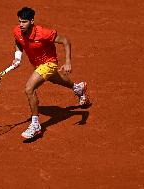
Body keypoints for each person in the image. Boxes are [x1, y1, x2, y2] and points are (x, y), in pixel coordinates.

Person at [11, 7, 90, 139]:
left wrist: (68, 62)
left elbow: (65, 41)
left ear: (32, 21)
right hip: (37, 64)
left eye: (24, 22)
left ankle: (36, 125)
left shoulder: (43, 33)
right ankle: (78, 88)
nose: (21, 25)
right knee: (55, 79)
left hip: (49, 63)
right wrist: (18, 57)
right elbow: (18, 42)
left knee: (29, 89)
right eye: (19, 21)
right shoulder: (18, 31)